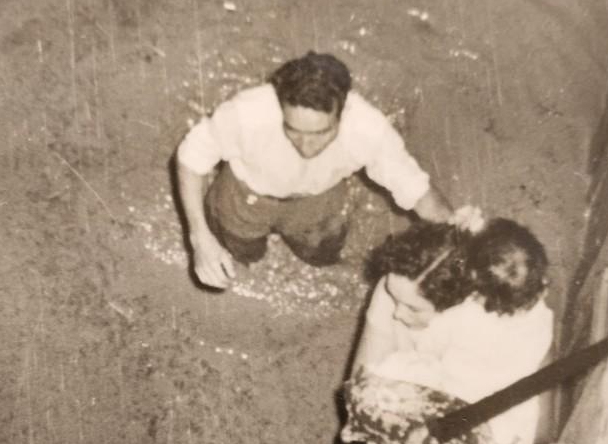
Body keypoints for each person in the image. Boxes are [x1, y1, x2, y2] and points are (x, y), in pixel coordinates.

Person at [340, 217, 554, 444]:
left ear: (471, 293)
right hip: (506, 437)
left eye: (413, 309)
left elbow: (422, 367)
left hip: (468, 431)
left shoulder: (460, 325)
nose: (398, 313)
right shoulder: (534, 311)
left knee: (378, 399)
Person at [175, 51, 452, 288]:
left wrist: (461, 244)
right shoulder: (246, 114)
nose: (306, 146)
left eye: (321, 133)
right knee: (243, 251)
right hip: (244, 195)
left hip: (318, 199)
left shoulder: (368, 129)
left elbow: (421, 195)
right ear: (280, 107)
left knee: (322, 252)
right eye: (293, 130)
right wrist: (199, 238)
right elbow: (190, 158)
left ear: (343, 112)